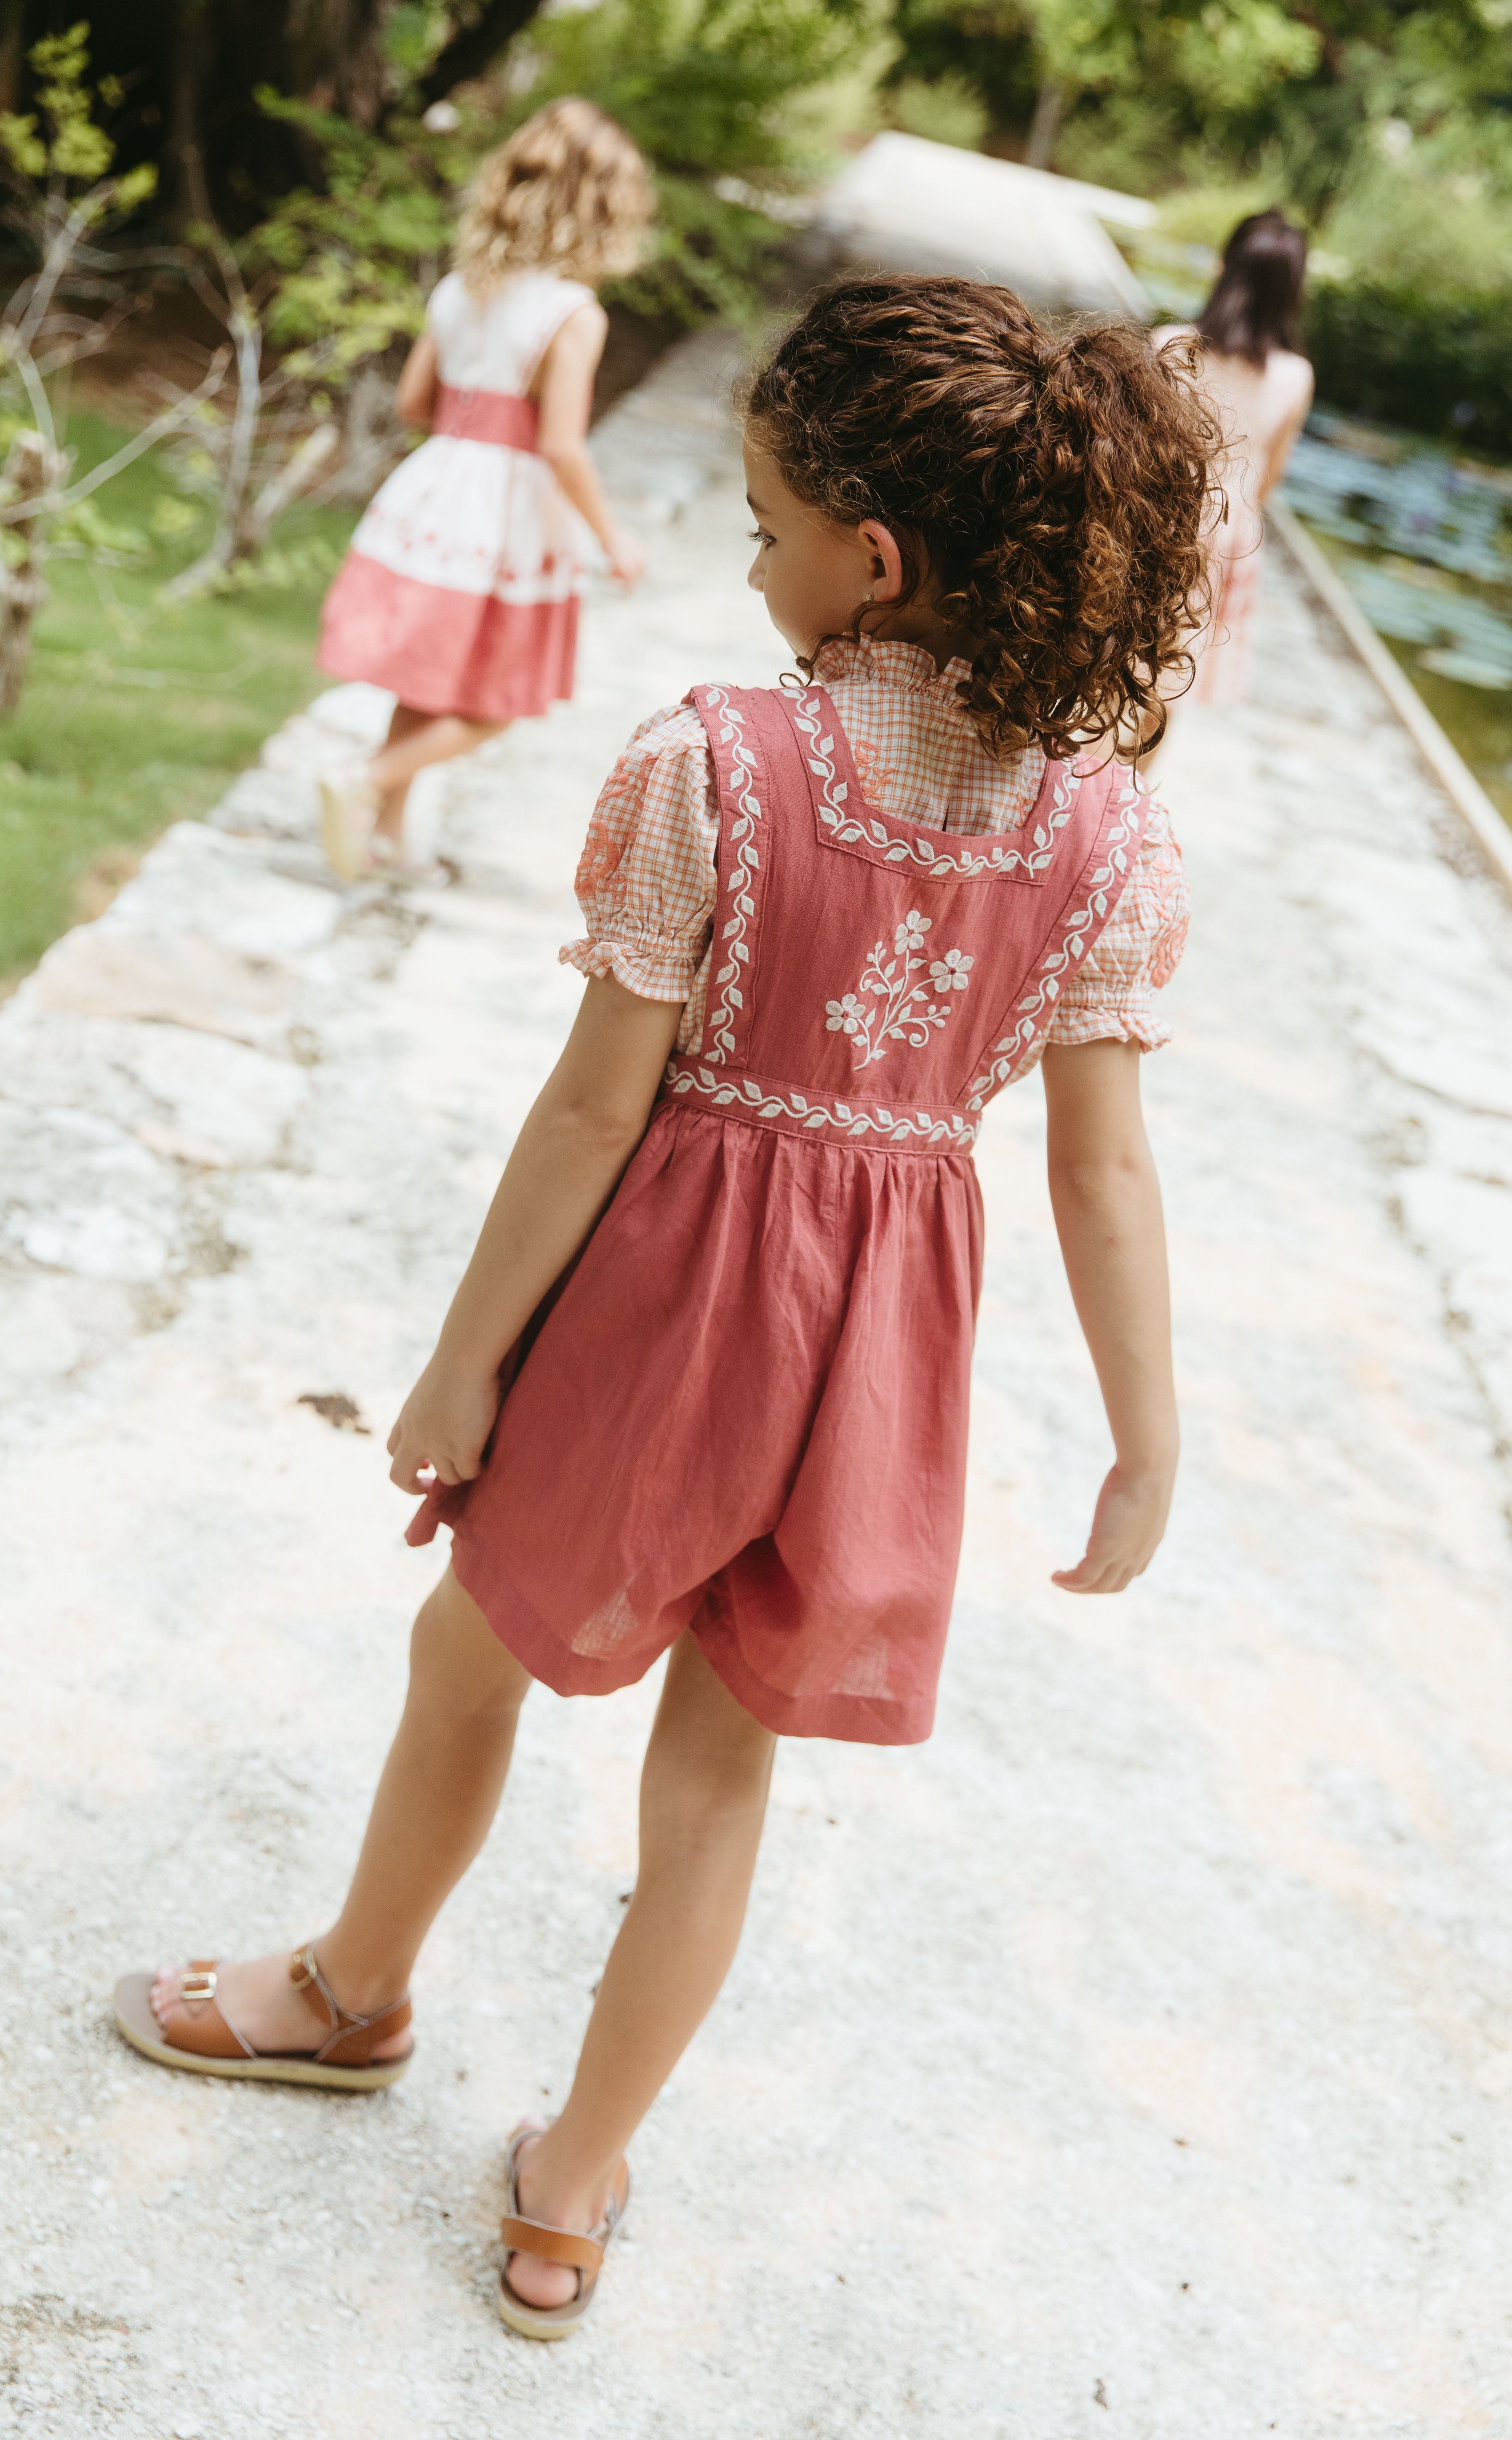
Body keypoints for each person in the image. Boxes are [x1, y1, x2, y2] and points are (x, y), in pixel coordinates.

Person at [113, 274, 1216, 2342]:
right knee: (719, 1774)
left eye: (760, 523)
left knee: (473, 1656)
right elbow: (1098, 1167)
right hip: (881, 1352)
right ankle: (576, 2172)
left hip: (666, 1322)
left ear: (865, 562)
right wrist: (1147, 1438)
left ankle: (357, 1992)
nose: (751, 560)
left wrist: (462, 1361)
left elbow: (590, 1105)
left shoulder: (716, 764)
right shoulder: (1105, 836)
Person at [315, 99, 653, 880]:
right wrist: (614, 538)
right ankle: (363, 781)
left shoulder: (463, 287)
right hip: (507, 513)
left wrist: (473, 425)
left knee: (429, 680)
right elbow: (562, 445)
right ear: (601, 212)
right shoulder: (573, 313)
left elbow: (410, 405)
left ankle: (392, 839)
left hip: (438, 487)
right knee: (501, 700)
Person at [1153, 208, 1314, 718]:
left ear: (1225, 267)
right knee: (1171, 686)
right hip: (1228, 537)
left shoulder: (1169, 346)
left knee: (1118, 674)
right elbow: (1270, 476)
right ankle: (1129, 797)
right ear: (1292, 291)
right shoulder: (1294, 376)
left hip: (1155, 521)